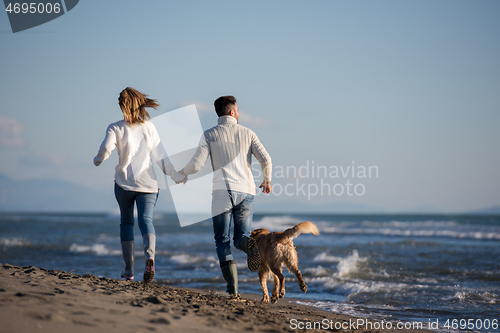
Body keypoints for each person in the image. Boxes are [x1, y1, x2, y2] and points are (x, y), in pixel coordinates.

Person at [180, 95, 272, 296]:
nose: (239, 112)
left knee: (222, 241)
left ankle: (233, 290)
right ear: (232, 112)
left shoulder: (209, 134)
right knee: (242, 236)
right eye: (238, 109)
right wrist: (267, 180)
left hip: (222, 192)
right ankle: (248, 245)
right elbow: (265, 158)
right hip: (246, 191)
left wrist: (183, 173)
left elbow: (196, 164)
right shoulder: (248, 133)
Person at [94, 87, 186, 283]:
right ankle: (150, 257)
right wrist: (175, 175)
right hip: (149, 185)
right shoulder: (149, 127)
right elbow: (162, 158)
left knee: (127, 223)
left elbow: (105, 149)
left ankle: (129, 272)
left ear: (121, 106)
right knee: (146, 221)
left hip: (124, 184)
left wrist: (98, 159)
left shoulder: (115, 127)